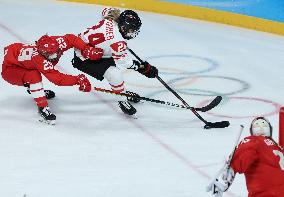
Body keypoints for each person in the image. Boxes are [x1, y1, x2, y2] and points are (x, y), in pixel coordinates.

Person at [72, 7, 158, 116]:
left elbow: (106, 11)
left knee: (114, 71)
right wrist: (142, 68)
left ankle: (121, 92)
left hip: (89, 48)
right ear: (123, 27)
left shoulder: (112, 20)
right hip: (84, 58)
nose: (133, 33)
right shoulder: (117, 41)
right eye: (131, 30)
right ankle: (122, 100)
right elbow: (124, 61)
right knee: (115, 74)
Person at [1, 34, 103, 124]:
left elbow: (71, 39)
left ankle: (35, 90)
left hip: (20, 62)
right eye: (49, 55)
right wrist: (77, 80)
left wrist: (85, 48)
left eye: (55, 52)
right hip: (10, 70)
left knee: (32, 74)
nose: (54, 56)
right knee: (34, 75)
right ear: (42, 53)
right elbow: (58, 79)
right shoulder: (39, 59)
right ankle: (42, 107)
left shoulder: (56, 43)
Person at [209, 117, 284, 197]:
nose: (261, 128)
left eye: (264, 125)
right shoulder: (254, 140)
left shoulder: (277, 148)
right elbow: (245, 151)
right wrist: (230, 170)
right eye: (257, 126)